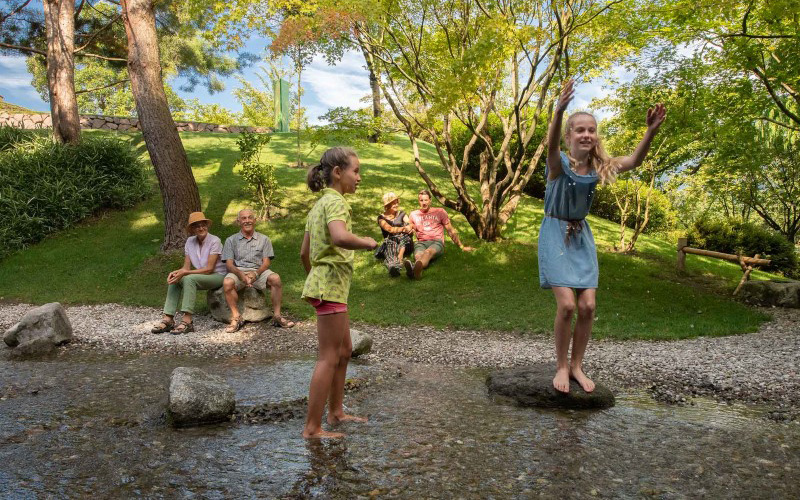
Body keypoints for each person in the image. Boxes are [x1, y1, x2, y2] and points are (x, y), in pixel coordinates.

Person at [540, 79, 666, 394]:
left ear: (596, 136)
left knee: (588, 306)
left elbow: (634, 161)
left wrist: (650, 131)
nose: (586, 134)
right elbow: (550, 145)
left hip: (581, 237)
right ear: (569, 136)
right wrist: (558, 113)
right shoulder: (558, 165)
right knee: (567, 305)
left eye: (591, 130)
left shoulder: (600, 168)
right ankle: (560, 366)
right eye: (579, 129)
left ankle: (577, 366)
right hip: (555, 234)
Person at [300, 146, 377, 439]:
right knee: (329, 357)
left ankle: (335, 413)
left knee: (344, 351)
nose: (359, 177)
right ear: (337, 172)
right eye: (355, 171)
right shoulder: (336, 202)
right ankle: (312, 428)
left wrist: (314, 279)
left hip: (328, 285)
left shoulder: (318, 205)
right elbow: (339, 237)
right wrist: (368, 242)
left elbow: (304, 252)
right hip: (330, 286)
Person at [151, 211, 227, 334]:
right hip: (202, 275)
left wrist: (185, 274)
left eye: (203, 225)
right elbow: (186, 268)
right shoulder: (189, 241)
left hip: (218, 276)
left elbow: (209, 269)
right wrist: (176, 272)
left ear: (207, 226)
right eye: (197, 226)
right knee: (177, 278)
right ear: (192, 229)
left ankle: (187, 321)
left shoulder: (215, 241)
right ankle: (168, 319)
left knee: (188, 278)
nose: (201, 228)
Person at [221, 208, 295, 333]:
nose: (247, 221)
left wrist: (255, 273)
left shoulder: (264, 239)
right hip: (238, 271)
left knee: (275, 279)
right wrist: (240, 275)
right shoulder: (230, 240)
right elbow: (229, 264)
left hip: (258, 271)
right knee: (227, 282)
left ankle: (277, 316)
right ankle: (236, 317)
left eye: (250, 217)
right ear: (238, 221)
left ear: (255, 220)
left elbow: (266, 263)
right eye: (243, 218)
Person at [405, 189, 474, 279]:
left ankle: (414, 269)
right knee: (418, 255)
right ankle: (417, 271)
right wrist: (409, 228)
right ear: (418, 201)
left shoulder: (440, 212)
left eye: (426, 200)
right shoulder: (414, 214)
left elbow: (450, 230)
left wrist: (461, 246)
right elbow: (411, 227)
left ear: (430, 200)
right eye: (421, 200)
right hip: (420, 242)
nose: (424, 203)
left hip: (436, 242)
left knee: (427, 253)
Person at [376, 192, 414, 277]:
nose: (396, 205)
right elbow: (390, 229)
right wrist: (404, 228)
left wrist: (410, 228)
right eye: (394, 203)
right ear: (388, 205)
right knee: (390, 248)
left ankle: (400, 258)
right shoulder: (381, 218)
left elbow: (410, 224)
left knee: (403, 236)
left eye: (397, 202)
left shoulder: (402, 214)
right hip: (392, 242)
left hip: (406, 243)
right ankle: (393, 267)